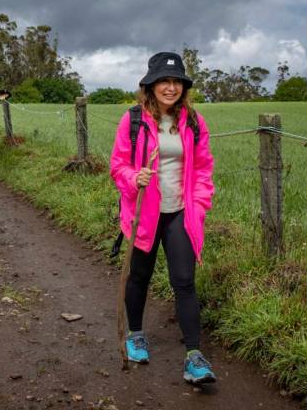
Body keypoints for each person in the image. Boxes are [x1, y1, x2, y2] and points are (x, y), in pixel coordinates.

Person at [109, 51, 216, 384]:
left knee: (184, 281)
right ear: (151, 85)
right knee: (139, 276)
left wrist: (198, 205)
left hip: (180, 214)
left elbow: (203, 169)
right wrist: (132, 178)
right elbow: (117, 165)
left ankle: (194, 357)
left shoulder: (194, 122)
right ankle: (136, 334)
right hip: (144, 214)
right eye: (164, 81)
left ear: (183, 87)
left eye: (177, 82)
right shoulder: (134, 120)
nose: (171, 88)